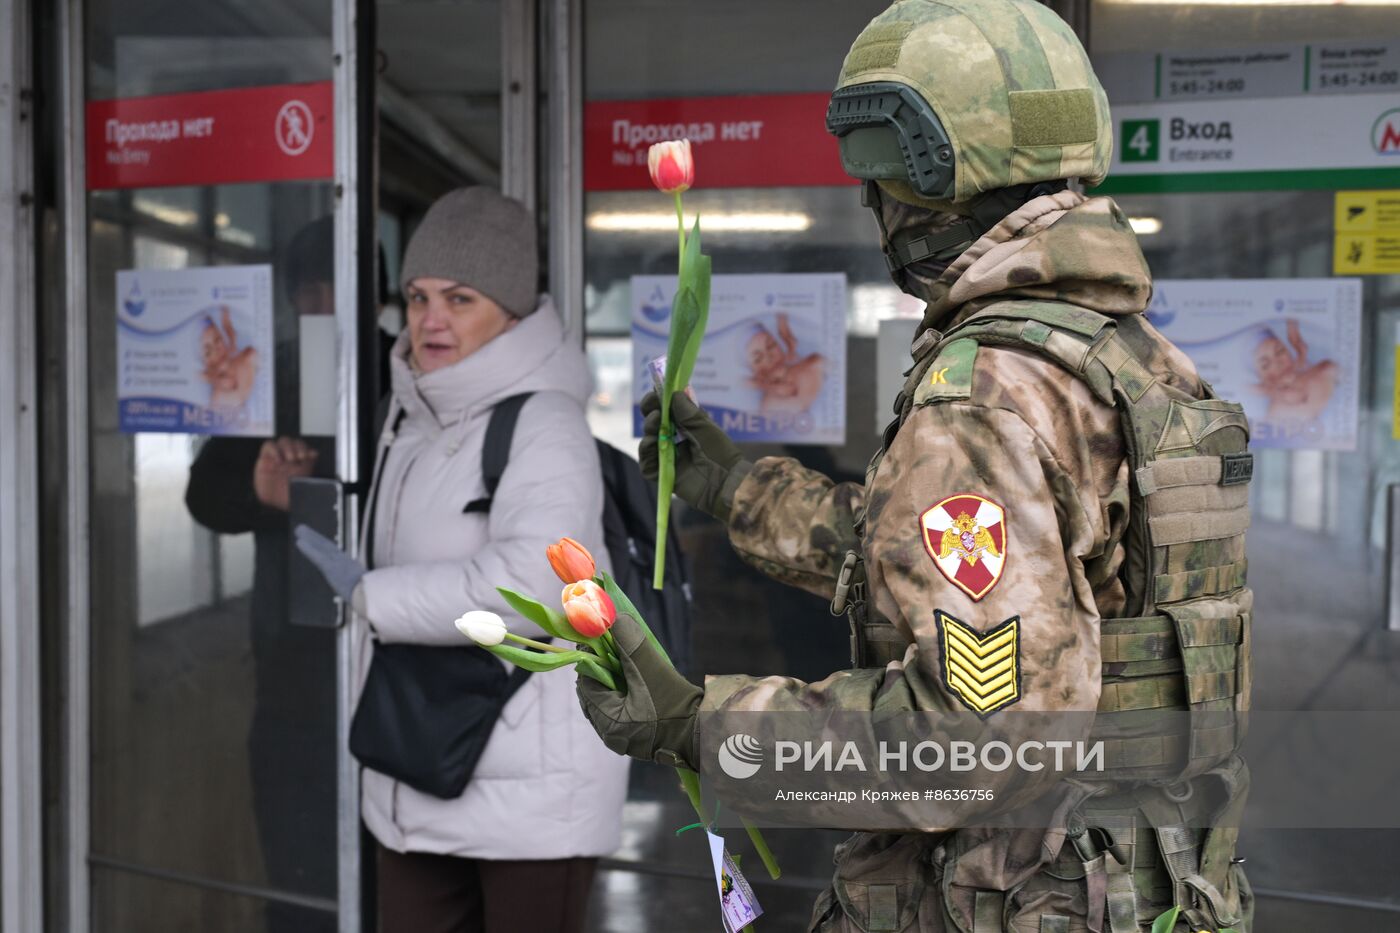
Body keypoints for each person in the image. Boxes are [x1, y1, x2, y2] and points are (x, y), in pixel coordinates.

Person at [577, 2, 1255, 931]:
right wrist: (738, 488)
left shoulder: (982, 398)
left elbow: (971, 736)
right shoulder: (1132, 361)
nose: (872, 202)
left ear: (933, 177)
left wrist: (700, 725)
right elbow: (961, 565)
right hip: (1154, 889)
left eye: (881, 172)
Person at [294, 186, 629, 933]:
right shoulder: (409, 419)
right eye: (416, 297)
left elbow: (532, 584)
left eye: (459, 297)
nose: (430, 319)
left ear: (510, 311)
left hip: (532, 790)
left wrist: (370, 595)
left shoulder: (544, 423)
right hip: (419, 758)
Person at [744, 313, 825, 413]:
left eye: (771, 345)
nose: (769, 356)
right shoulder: (770, 396)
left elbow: (786, 335)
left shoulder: (792, 354)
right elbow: (788, 390)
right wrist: (765, 385)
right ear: (756, 372)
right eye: (758, 359)